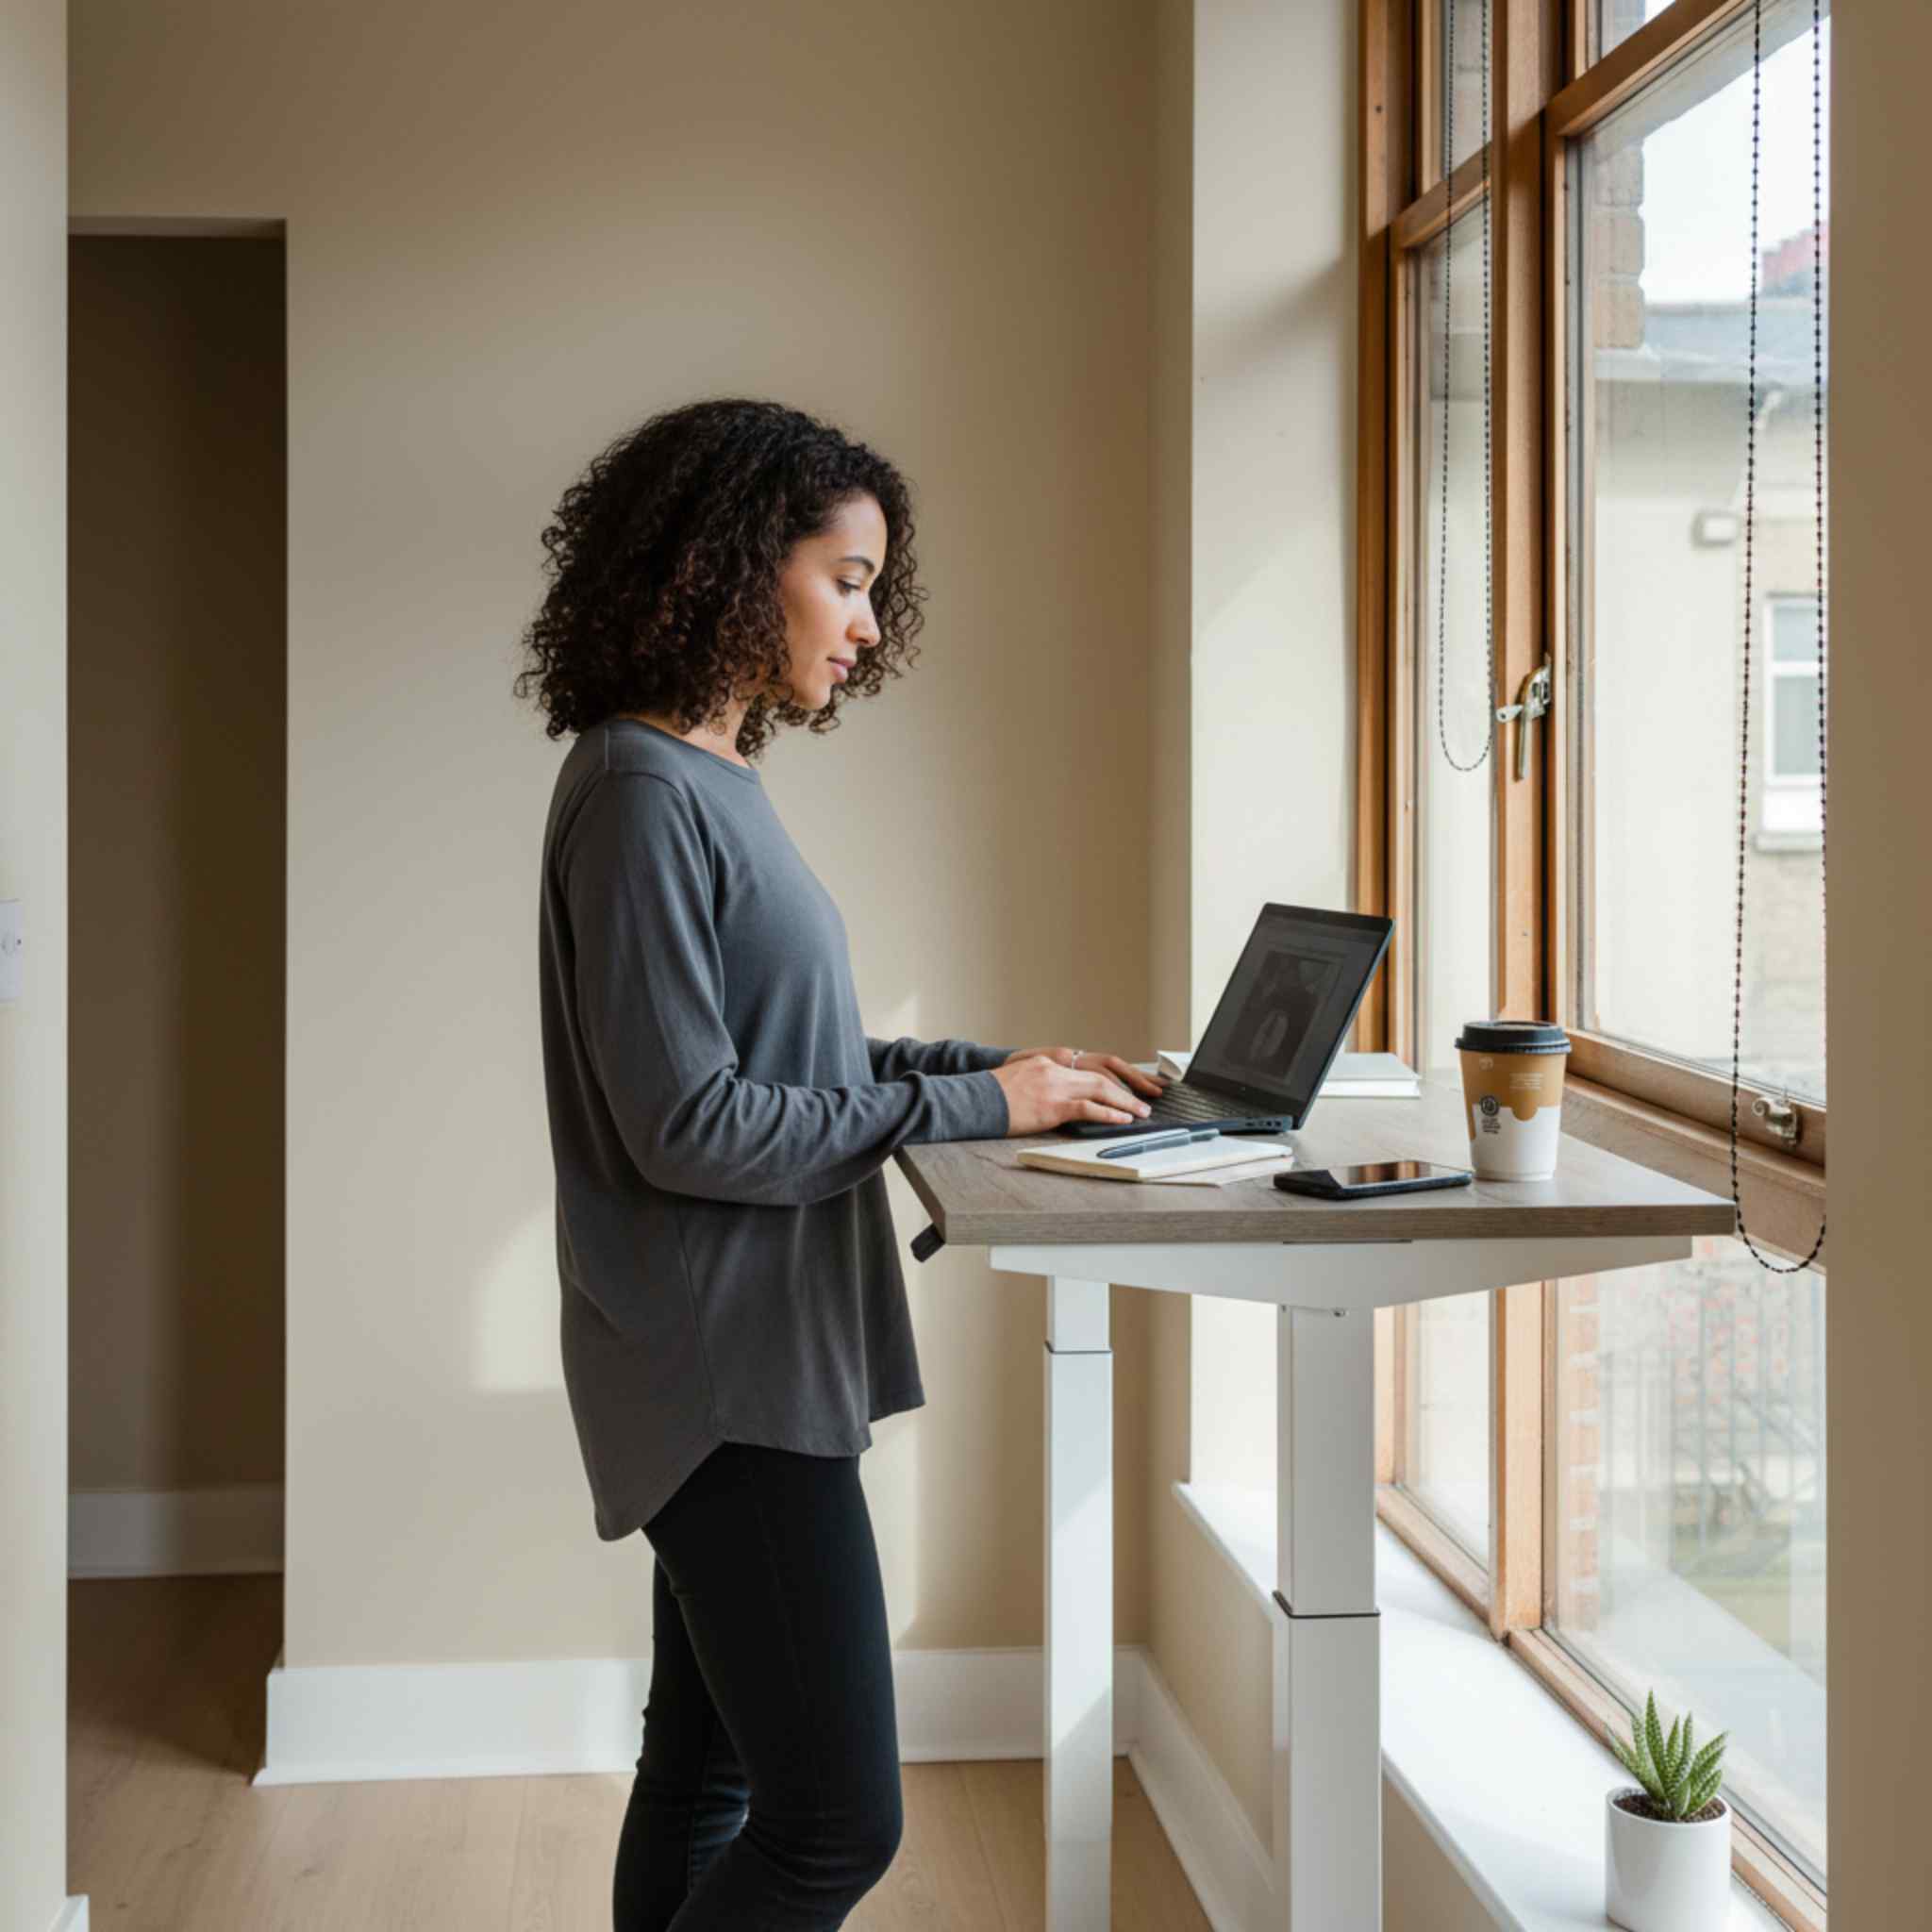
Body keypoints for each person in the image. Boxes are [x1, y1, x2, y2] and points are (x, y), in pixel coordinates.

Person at [517, 395, 1162, 1930]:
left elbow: (784, 1064)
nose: (869, 626)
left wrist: (1008, 1078)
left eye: (876, 585)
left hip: (742, 1351)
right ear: (740, 566)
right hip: (722, 1371)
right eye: (849, 577)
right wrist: (976, 1112)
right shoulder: (639, 794)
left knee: (712, 1778)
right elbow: (691, 1125)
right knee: (833, 1827)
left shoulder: (703, 781)